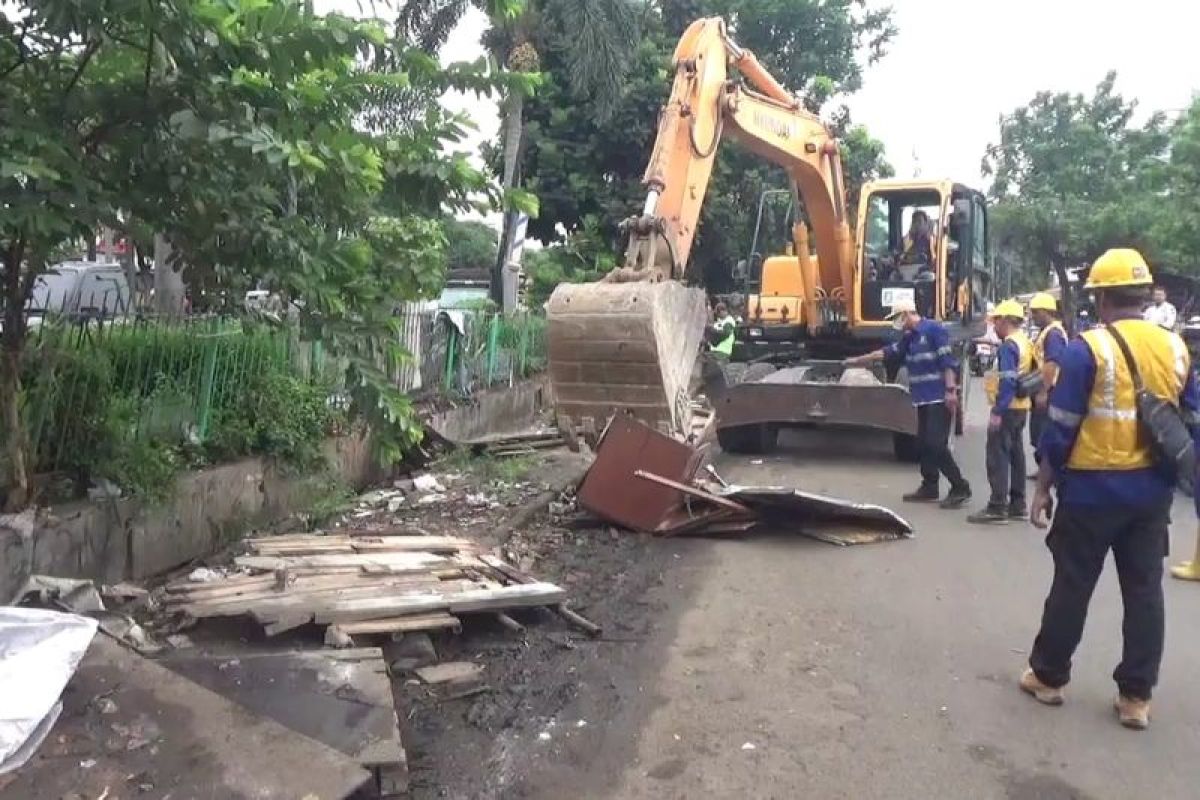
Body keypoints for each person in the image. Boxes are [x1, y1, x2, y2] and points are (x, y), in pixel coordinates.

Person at [1022, 248, 1200, 730]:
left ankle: (1049, 677)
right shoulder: (1177, 348)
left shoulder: (1087, 350)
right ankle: (1135, 698)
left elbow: (1059, 430)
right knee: (1144, 593)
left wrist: (1042, 488)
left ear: (1100, 299)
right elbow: (1191, 425)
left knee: (1072, 586)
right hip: (1151, 498)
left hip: (1091, 495)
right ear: (1143, 297)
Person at [845, 298, 971, 508]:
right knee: (922, 443)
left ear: (906, 314)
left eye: (897, 318)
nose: (897, 323)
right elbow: (886, 352)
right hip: (922, 398)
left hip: (939, 397)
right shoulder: (910, 338)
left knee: (936, 444)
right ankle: (929, 485)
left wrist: (951, 391)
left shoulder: (933, 330)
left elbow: (947, 362)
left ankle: (960, 486)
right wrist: (857, 360)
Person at [968, 299, 1032, 524]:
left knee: (997, 455)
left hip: (1007, 408)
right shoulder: (1023, 341)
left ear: (1005, 320)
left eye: (996, 321)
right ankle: (1018, 504)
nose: (994, 326)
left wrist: (997, 410)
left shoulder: (1008, 346)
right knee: (1016, 455)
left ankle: (997, 507)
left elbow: (1007, 381)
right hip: (1021, 408)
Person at [1028, 293, 1068, 473]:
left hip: (1050, 389)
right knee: (1038, 431)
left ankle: (1048, 471)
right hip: (1044, 387)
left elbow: (1052, 363)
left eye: (1036, 313)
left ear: (1046, 312)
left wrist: (1043, 392)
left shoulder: (1053, 334)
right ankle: (1043, 469)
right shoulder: (1048, 332)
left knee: (1043, 431)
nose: (1033, 317)